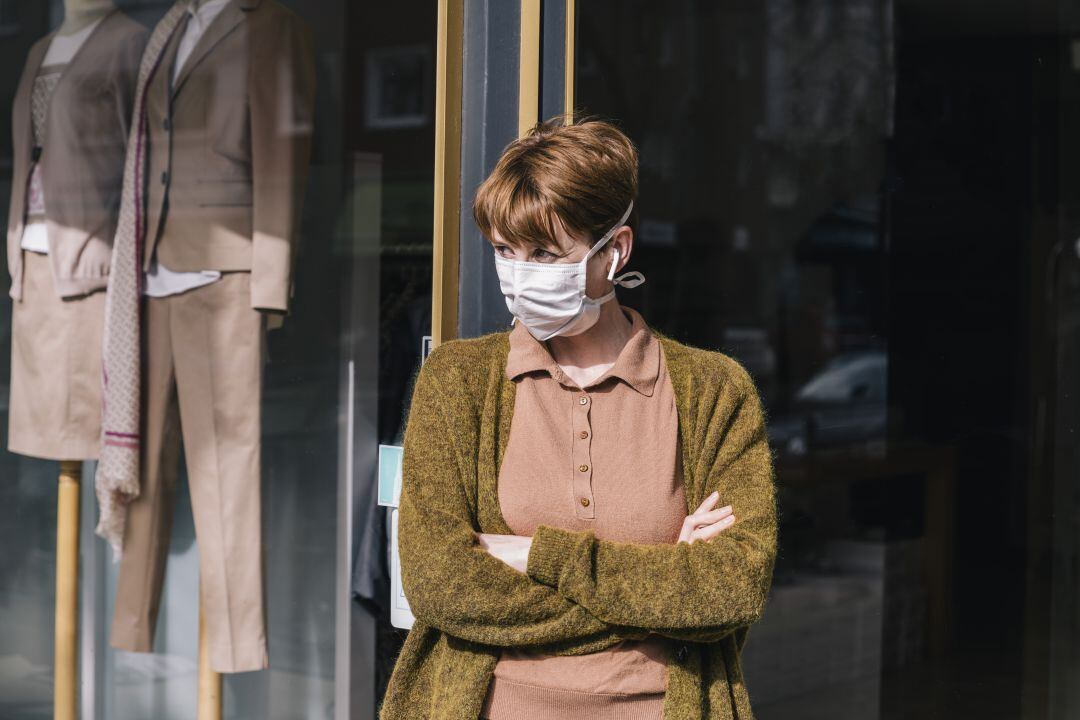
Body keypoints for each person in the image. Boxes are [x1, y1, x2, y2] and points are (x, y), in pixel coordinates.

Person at [380, 117, 778, 720]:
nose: (518, 276)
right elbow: (439, 583)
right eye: (504, 252)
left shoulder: (714, 392)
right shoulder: (458, 382)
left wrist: (534, 556)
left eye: (544, 253)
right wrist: (658, 583)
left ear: (614, 251)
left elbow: (729, 589)